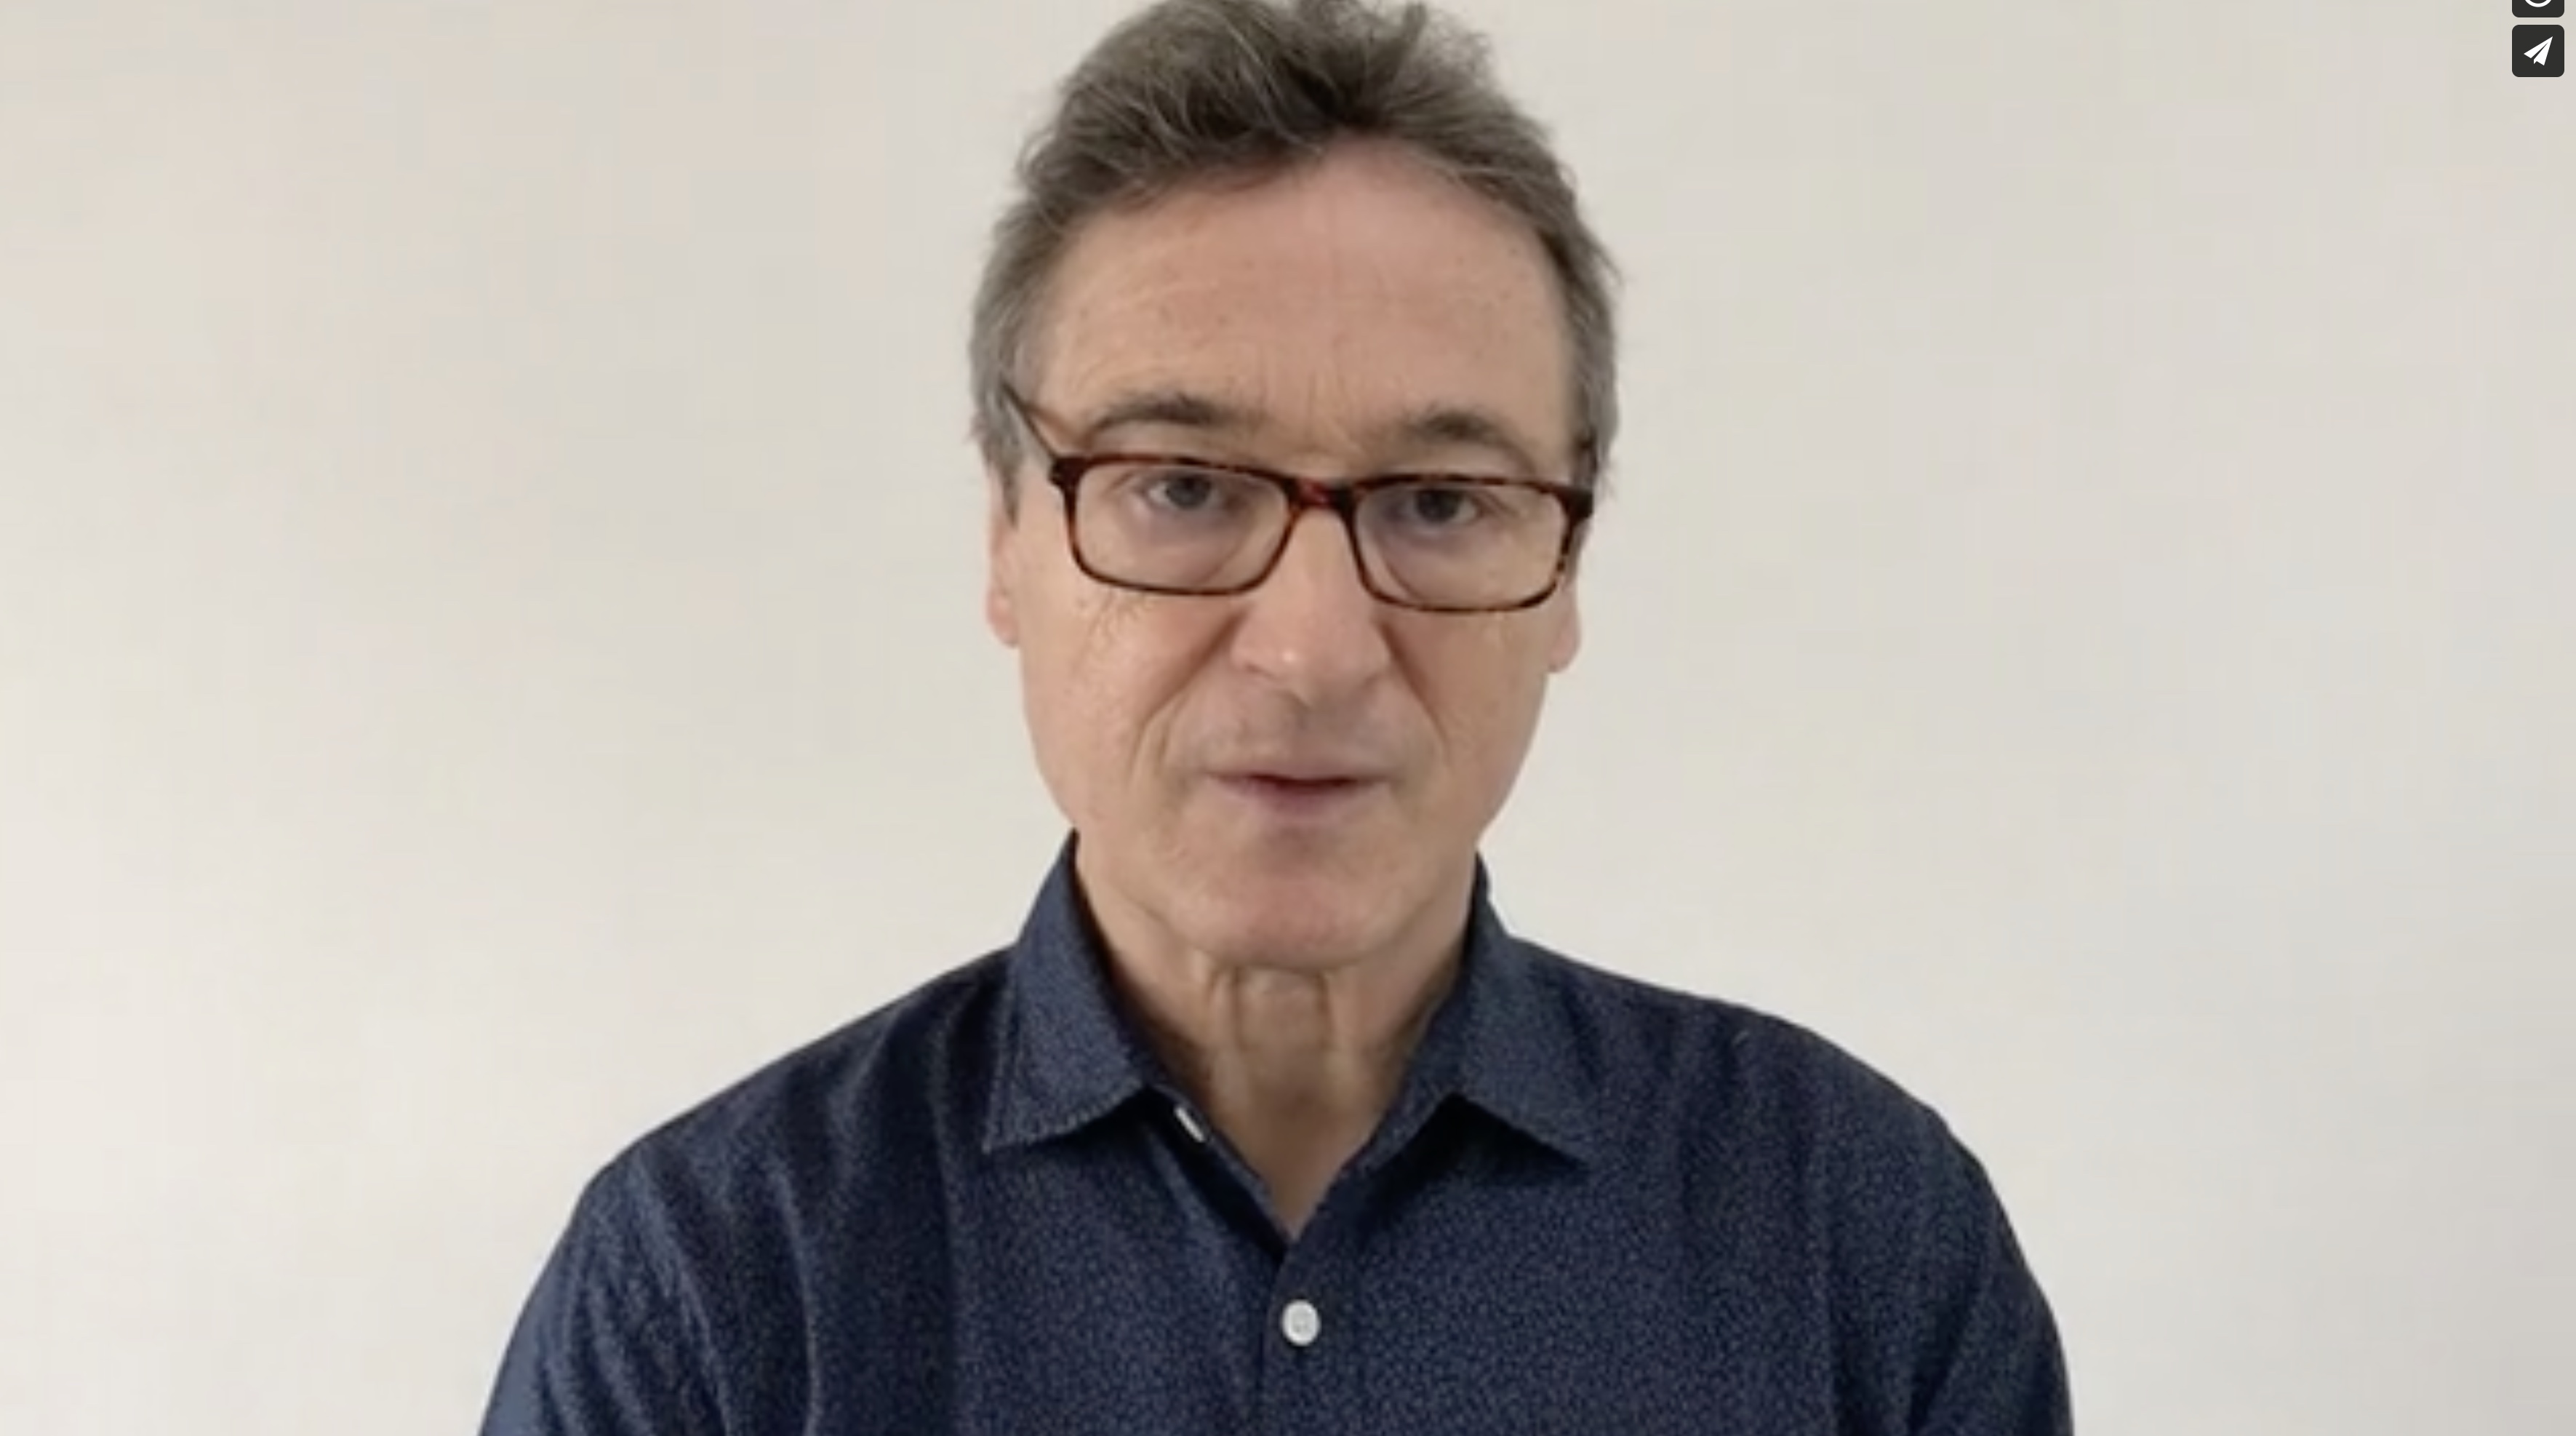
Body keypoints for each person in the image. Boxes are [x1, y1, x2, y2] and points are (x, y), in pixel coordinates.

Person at [477, 0, 2073, 1431]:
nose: (1312, 650)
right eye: (1181, 486)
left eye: (1439, 501)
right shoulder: (713, 1293)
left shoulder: (1857, 1245)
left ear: (1568, 567)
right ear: (1004, 538)